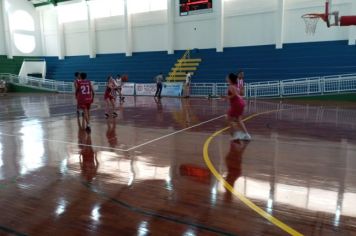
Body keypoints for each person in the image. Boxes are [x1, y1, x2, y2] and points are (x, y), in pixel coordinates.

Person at [226, 73, 251, 141]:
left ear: (230, 79)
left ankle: (236, 134)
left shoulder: (231, 86)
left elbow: (234, 95)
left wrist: (226, 97)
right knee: (238, 119)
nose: (226, 78)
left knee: (228, 118)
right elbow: (239, 93)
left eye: (227, 77)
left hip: (237, 103)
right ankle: (246, 135)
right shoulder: (236, 85)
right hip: (241, 103)